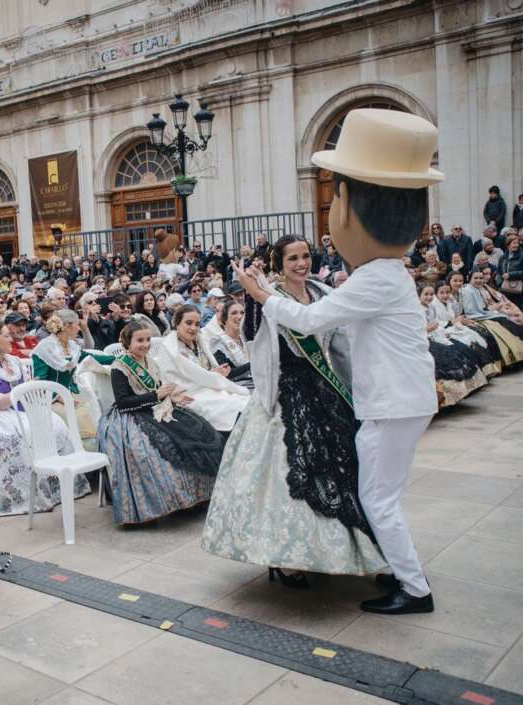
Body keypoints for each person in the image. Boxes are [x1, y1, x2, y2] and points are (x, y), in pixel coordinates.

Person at [234, 109, 442, 614]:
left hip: (392, 406)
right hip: (388, 402)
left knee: (379, 500)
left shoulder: (375, 277)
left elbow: (311, 323)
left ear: (345, 209)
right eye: (295, 258)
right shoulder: (385, 274)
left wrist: (260, 293)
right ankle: (398, 575)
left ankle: (413, 589)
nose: (306, 262)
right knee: (376, 496)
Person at [205, 235, 384, 585]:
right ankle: (289, 558)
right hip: (287, 392)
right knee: (291, 475)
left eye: (305, 256)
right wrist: (254, 296)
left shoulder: (323, 294)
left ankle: (351, 549)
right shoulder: (268, 297)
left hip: (325, 388)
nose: (301, 264)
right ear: (279, 264)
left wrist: (353, 391)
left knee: (345, 467)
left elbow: (341, 346)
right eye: (293, 259)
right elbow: (254, 340)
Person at [98, 323, 223, 524]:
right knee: (154, 447)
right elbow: (123, 403)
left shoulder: (150, 361)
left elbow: (159, 389)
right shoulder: (119, 367)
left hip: (156, 408)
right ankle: (167, 502)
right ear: (127, 343)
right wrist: (157, 395)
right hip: (130, 416)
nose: (146, 344)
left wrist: (173, 397)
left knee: (201, 430)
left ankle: (198, 495)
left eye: (148, 340)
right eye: (140, 340)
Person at [0, 321, 88, 515]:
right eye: (6, 336)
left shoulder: (14, 361)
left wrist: (46, 394)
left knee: (55, 425)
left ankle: (58, 485)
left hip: (22, 408)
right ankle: (26, 495)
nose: (11, 339)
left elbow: (30, 386)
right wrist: (21, 391)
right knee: (15, 437)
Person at [151, 304, 249, 433]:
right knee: (225, 405)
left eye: (197, 324)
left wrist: (218, 372)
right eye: (189, 323)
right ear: (177, 323)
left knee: (242, 400)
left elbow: (206, 370)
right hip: (189, 392)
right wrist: (211, 375)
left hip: (210, 387)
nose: (193, 328)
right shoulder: (168, 348)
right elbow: (173, 380)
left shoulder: (199, 340)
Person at [31, 310, 114, 449]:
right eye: (77, 325)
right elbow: (41, 384)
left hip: (73, 392)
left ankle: (97, 457)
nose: (79, 328)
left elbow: (91, 357)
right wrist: (58, 397)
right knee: (79, 418)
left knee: (95, 407)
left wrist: (120, 358)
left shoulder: (71, 346)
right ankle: (84, 457)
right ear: (67, 326)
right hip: (51, 399)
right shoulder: (44, 349)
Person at [419, 285, 489, 407]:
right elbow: (418, 330)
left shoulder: (431, 307)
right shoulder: (417, 310)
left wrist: (440, 331)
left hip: (438, 335)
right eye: (426, 294)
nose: (429, 297)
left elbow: (437, 324)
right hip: (425, 339)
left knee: (460, 350)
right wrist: (429, 330)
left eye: (431, 294)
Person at [205, 299, 253, 389]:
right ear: (225, 319)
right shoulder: (218, 341)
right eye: (234, 313)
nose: (239, 316)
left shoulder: (246, 338)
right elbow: (227, 373)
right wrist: (253, 364)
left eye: (242, 313)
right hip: (236, 387)